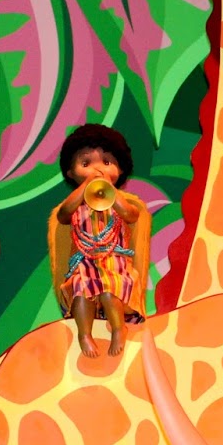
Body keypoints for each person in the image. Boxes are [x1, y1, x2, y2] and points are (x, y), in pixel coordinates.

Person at [50, 124, 150, 358]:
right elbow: (63, 215)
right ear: (70, 173)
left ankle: (118, 328)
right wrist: (86, 187)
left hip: (114, 262)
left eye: (106, 162)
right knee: (80, 290)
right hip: (85, 263)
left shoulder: (122, 201)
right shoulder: (75, 204)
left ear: (120, 169)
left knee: (108, 289)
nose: (98, 169)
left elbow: (131, 215)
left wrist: (111, 193)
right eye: (86, 164)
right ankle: (84, 334)